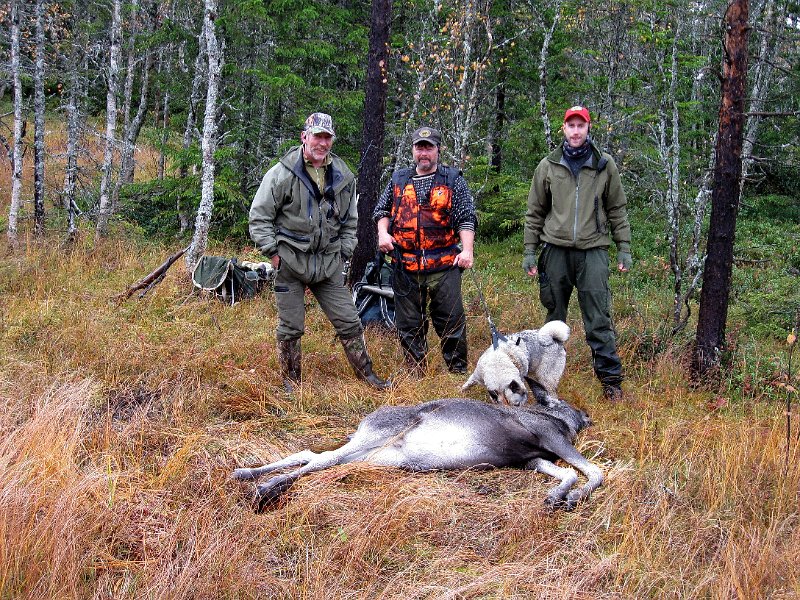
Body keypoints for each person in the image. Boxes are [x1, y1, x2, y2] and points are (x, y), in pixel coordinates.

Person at [249, 112, 389, 391]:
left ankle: (368, 377)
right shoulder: (282, 173)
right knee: (291, 327)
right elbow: (259, 217)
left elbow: (351, 221)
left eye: (327, 137)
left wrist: (343, 254)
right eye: (317, 136)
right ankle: (291, 384)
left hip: (327, 264)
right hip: (290, 261)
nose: (322, 143)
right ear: (305, 137)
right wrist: (274, 254)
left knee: (349, 321)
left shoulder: (342, 176)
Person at [523, 106, 632, 401]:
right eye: (570, 125)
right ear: (564, 128)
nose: (575, 131)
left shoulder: (603, 164)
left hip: (593, 250)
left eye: (580, 126)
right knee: (553, 321)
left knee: (598, 319)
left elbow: (617, 210)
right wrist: (530, 251)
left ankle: (611, 383)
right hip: (555, 251)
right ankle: (545, 383)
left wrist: (624, 248)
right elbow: (535, 212)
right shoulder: (548, 165)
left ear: (588, 128)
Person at [373, 126, 477, 375]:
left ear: (437, 150)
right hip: (405, 265)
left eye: (429, 147)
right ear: (413, 150)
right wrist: (383, 233)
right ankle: (415, 372)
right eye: (420, 147)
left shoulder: (452, 180)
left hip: (444, 265)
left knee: (451, 322)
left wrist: (468, 251)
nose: (424, 153)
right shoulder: (399, 179)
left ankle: (457, 372)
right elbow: (382, 212)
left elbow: (466, 218)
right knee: (409, 324)